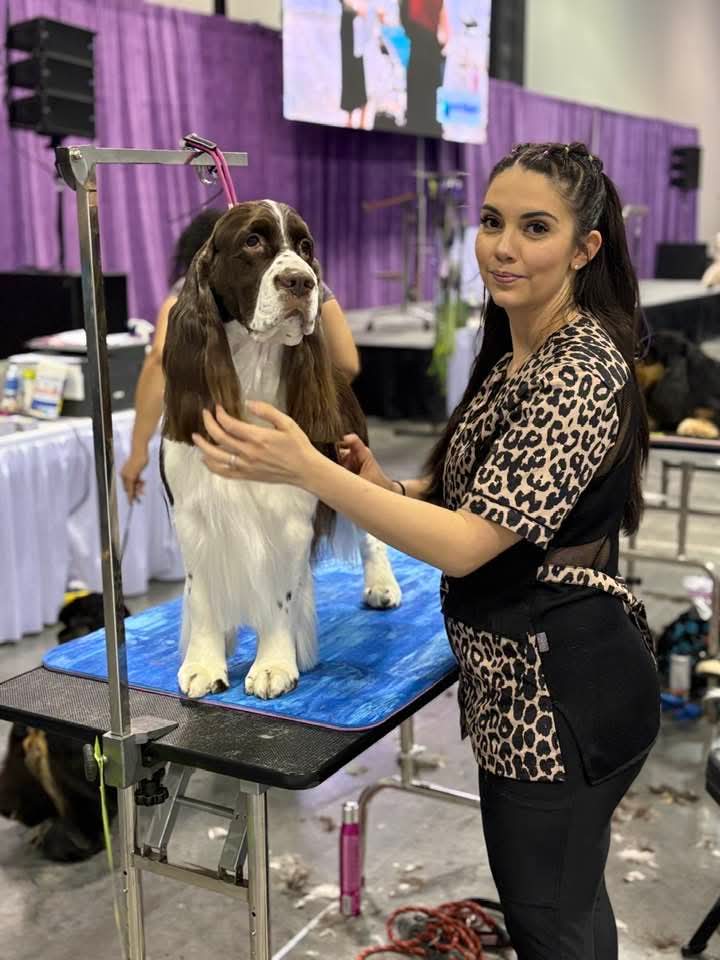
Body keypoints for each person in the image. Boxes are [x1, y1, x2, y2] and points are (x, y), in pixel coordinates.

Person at [192, 141, 661, 959]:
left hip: (561, 706)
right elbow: (476, 501)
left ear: (585, 248)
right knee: (570, 909)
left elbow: (470, 545)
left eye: (536, 228)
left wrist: (310, 471)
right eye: (492, 222)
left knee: (551, 923)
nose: (503, 247)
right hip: (519, 691)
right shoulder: (519, 351)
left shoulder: (578, 372)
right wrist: (386, 486)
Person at [120, 211, 360, 502]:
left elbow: (160, 358)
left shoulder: (191, 287)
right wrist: (304, 406)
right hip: (293, 443)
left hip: (217, 443)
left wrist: (138, 452)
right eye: (252, 242)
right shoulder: (312, 284)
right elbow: (347, 363)